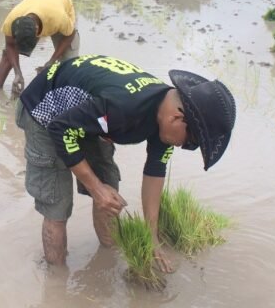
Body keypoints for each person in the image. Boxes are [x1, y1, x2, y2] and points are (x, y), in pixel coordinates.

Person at [16, 54, 236, 268]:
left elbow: (155, 171)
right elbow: (60, 128)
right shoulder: (123, 107)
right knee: (58, 204)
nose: (184, 146)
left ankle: (108, 259)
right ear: (177, 118)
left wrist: (151, 238)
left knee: (108, 183)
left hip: (88, 114)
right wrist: (95, 188)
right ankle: (57, 284)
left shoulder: (164, 115)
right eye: (190, 141)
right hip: (45, 111)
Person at [0, 0, 78, 97]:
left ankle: (63, 94)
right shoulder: (11, 21)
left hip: (60, 4)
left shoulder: (59, 18)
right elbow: (10, 45)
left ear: (37, 30)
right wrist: (17, 73)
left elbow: (70, 34)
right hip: (38, 0)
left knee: (68, 63)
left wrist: (52, 60)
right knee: (8, 55)